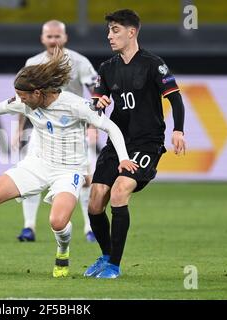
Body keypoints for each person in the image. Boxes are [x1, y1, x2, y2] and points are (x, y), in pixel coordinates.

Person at [0, 48, 138, 277]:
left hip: (68, 172)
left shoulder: (75, 105)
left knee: (58, 222)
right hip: (37, 165)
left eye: (24, 95)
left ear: (38, 92)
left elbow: (110, 127)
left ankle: (63, 251)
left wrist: (124, 157)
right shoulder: (25, 102)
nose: (21, 99)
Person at [84, 9, 186, 279]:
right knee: (94, 203)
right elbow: (95, 106)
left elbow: (175, 99)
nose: (109, 36)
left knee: (119, 192)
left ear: (132, 32)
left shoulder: (153, 64)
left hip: (147, 143)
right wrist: (98, 104)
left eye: (115, 30)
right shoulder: (107, 68)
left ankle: (114, 267)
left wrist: (178, 130)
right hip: (117, 144)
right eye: (108, 31)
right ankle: (106, 256)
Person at [13, 20, 99, 243]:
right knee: (31, 175)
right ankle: (28, 227)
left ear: (65, 38)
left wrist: (93, 126)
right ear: (43, 39)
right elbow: (22, 99)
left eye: (57, 36)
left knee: (86, 178)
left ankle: (90, 228)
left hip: (74, 132)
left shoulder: (79, 62)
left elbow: (96, 94)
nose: (53, 41)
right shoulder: (33, 63)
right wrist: (18, 129)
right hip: (42, 131)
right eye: (49, 37)